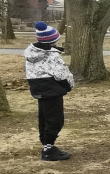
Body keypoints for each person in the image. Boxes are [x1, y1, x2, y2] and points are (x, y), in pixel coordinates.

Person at [25, 21, 75, 161]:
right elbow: (61, 74)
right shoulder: (52, 55)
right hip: (52, 89)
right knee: (55, 119)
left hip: (39, 89)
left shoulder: (31, 54)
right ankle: (48, 149)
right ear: (53, 40)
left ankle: (47, 145)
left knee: (44, 118)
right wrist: (68, 86)